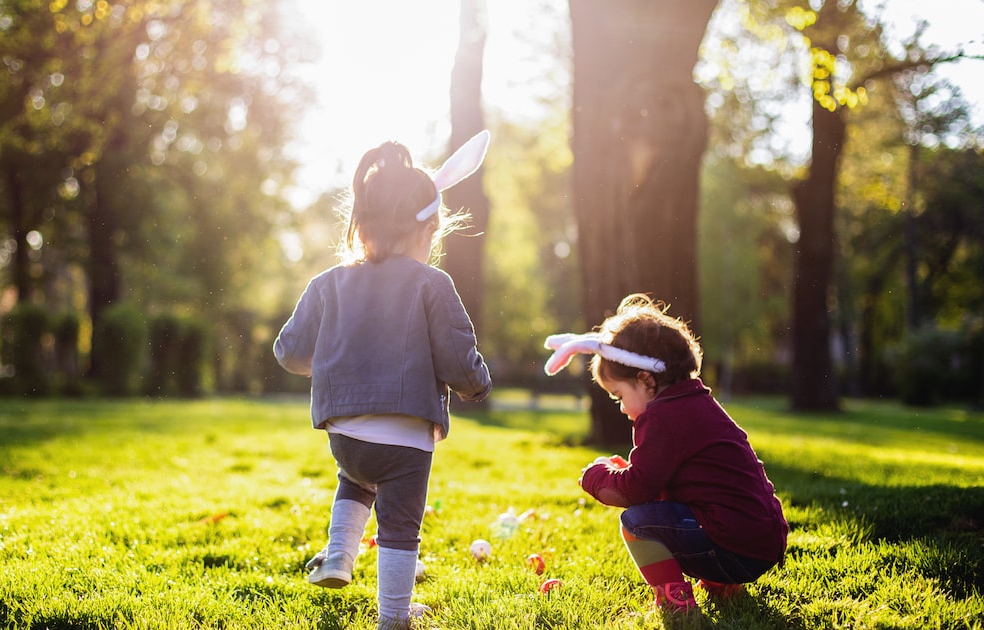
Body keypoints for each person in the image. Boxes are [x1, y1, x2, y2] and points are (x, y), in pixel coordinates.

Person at [274, 132, 493, 630]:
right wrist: (477, 386)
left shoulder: (327, 283)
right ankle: (394, 617)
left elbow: (289, 351)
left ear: (361, 224)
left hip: (345, 437)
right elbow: (458, 358)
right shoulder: (432, 284)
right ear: (428, 230)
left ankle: (338, 556)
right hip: (406, 440)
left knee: (354, 480)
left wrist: (331, 361)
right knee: (399, 526)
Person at [543, 294, 788, 614]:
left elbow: (636, 490)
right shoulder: (694, 402)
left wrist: (596, 477)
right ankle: (722, 583)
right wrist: (631, 472)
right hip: (761, 542)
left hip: (734, 548)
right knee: (663, 512)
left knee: (636, 523)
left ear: (646, 380)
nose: (620, 407)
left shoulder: (660, 416)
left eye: (619, 395)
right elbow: (680, 479)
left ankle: (675, 600)